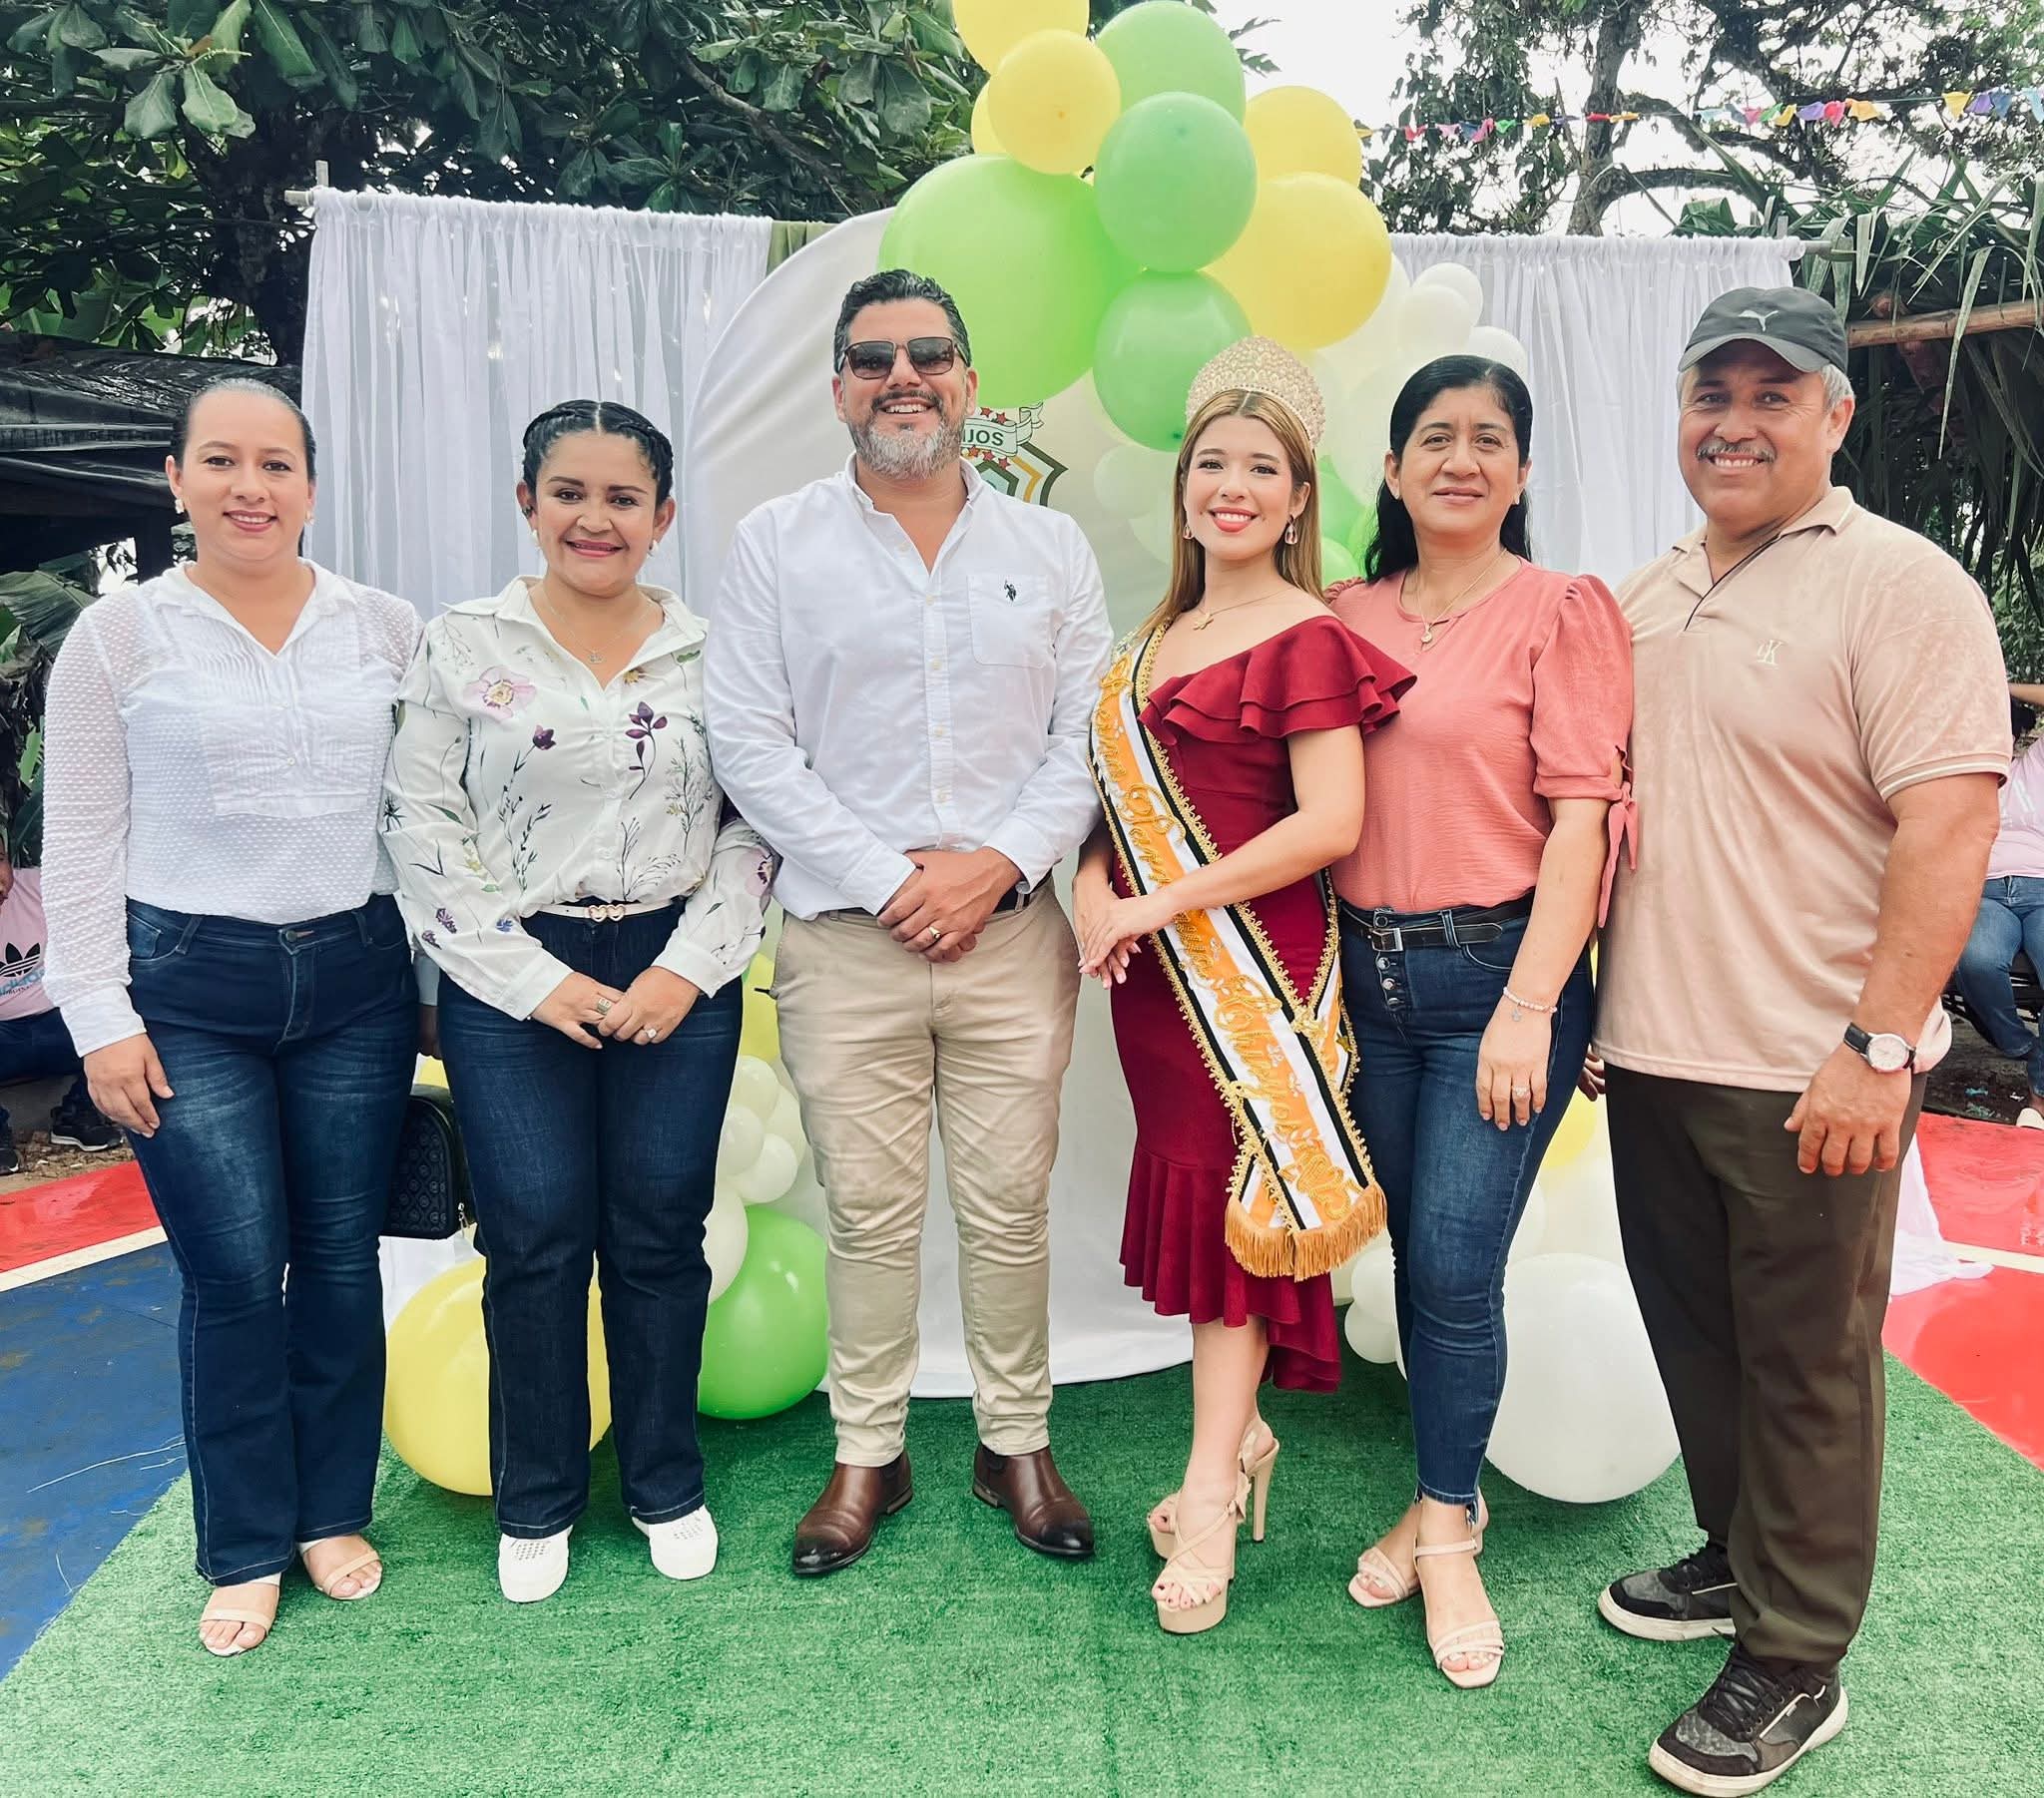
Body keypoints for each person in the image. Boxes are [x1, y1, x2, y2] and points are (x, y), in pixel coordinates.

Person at [1595, 287, 2008, 1795]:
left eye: (1774, 396)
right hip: (1652, 1053)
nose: (1736, 423)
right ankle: (1735, 1554)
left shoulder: (1900, 585)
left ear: (1835, 416)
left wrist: (1879, 1045)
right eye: (1713, 394)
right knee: (1698, 1337)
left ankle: (1796, 1653)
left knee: (1808, 1366)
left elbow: (1948, 822)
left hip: (1810, 1066)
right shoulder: (1640, 597)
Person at [705, 269, 1111, 1576]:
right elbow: (748, 742)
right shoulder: (776, 543)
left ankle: (1014, 1443)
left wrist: (992, 866)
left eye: (929, 354)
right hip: (845, 940)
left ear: (969, 384)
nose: (903, 377)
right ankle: (867, 1451)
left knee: (1008, 1206)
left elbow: (1088, 736)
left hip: (1012, 939)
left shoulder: (1049, 550)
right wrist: (892, 879)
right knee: (868, 1214)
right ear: (838, 389)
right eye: (873, 358)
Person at [41, 376, 420, 1657]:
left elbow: (425, 813)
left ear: (310, 485)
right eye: (221, 461)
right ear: (176, 478)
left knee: (341, 1259)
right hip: (187, 991)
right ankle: (247, 1541)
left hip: (358, 983)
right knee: (234, 1273)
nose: (249, 487)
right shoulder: (120, 636)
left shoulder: (386, 627)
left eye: (275, 463)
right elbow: (79, 839)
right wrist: (98, 1015)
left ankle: (330, 1511)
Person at [383, 400, 772, 1604]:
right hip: (511, 968)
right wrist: (534, 979)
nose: (593, 518)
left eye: (621, 497)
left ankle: (664, 1480)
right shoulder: (461, 643)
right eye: (568, 492)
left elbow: (757, 818)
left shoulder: (714, 652)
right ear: (527, 502)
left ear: (663, 515)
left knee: (658, 1227)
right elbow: (419, 822)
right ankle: (537, 1495)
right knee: (534, 1232)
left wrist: (681, 968)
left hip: (676, 962)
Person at [1076, 337, 1410, 1635]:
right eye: (1210, 462)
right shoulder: (1149, 639)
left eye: (1260, 467)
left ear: (1296, 495)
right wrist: (1095, 886)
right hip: (1154, 991)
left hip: (1256, 971)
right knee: (1213, 1215)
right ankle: (1241, 1434)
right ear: (1181, 490)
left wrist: (1157, 902)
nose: (1231, 486)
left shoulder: (1308, 633)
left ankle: (1208, 1489)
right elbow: (1109, 812)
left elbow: (1330, 822)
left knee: (1240, 1218)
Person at [1326, 354, 1633, 1688]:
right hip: (1364, 985)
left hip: (1494, 983)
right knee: (1414, 1258)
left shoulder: (1560, 609)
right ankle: (1444, 1491)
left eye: (1488, 438)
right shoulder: (1342, 613)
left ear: (1521, 471)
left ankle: (1447, 1527)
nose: (1460, 459)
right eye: (1434, 438)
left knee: (1455, 1271)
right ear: (1391, 470)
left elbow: (1581, 824)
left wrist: (1526, 1007)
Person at [1951, 684, 2044, 1123]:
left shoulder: (2035, 766)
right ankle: (2018, 1044)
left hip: (2041, 888)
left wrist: (1997, 684)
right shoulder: (1961, 778)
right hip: (1985, 891)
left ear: (2015, 734)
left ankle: (2040, 1088)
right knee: (1977, 961)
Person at [0, 856, 121, 1172]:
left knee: (126, 1008)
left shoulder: (42, 886)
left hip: (61, 1024)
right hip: (4, 1041)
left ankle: (77, 1114)